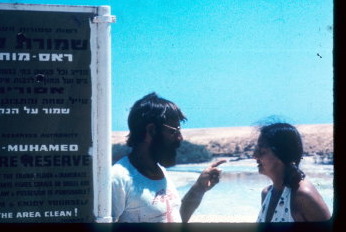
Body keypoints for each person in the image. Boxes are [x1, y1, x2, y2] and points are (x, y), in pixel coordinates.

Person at [111, 92, 226, 223]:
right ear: (151, 130)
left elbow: (174, 219)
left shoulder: (160, 171)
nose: (180, 138)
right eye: (174, 131)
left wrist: (199, 187)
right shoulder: (118, 178)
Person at [253, 122, 331, 222]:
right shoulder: (266, 194)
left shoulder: (303, 195)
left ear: (281, 153)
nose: (255, 156)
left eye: (261, 151)